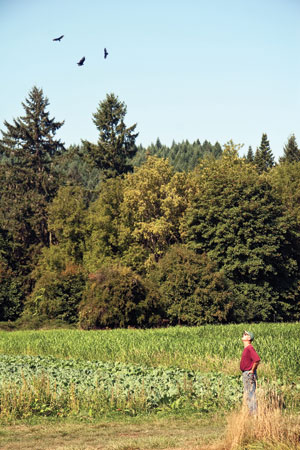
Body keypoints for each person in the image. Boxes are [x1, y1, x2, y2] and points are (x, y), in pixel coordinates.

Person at [240, 330, 260, 414]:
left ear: (249, 338)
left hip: (248, 373)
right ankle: (251, 412)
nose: (243, 335)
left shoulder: (250, 348)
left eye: (245, 334)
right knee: (248, 394)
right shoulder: (247, 348)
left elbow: (257, 360)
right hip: (246, 373)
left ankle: (254, 414)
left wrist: (252, 370)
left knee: (250, 393)